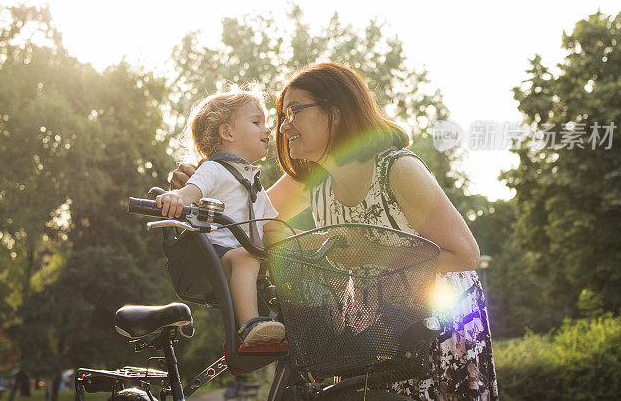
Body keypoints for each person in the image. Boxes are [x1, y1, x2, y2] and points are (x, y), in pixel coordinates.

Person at [171, 62, 499, 399]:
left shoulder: (397, 168)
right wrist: (203, 183)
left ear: (336, 113)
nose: (284, 127)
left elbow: (466, 255)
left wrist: (366, 254)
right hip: (377, 332)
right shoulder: (313, 178)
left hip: (438, 329)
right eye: (282, 116)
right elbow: (252, 221)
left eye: (293, 112)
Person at [155, 86, 285, 345]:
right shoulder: (213, 169)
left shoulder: (253, 182)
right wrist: (174, 197)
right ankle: (249, 327)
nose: (267, 130)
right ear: (227, 132)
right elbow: (190, 192)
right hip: (212, 256)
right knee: (247, 257)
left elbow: (273, 227)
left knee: (267, 263)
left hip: (243, 261)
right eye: (256, 122)